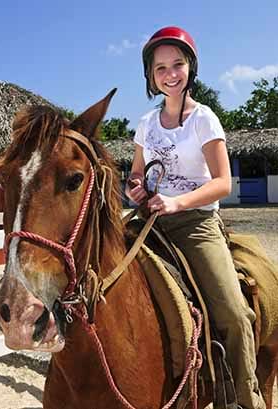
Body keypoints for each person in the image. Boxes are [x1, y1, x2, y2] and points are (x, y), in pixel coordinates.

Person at [125, 26, 265, 409]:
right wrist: (134, 188)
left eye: (178, 65)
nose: (170, 74)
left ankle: (246, 398)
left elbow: (222, 183)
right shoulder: (145, 123)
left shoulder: (205, 119)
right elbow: (136, 174)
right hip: (149, 220)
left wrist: (177, 203)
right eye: (160, 69)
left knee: (234, 314)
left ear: (191, 68)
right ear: (150, 76)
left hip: (195, 223)